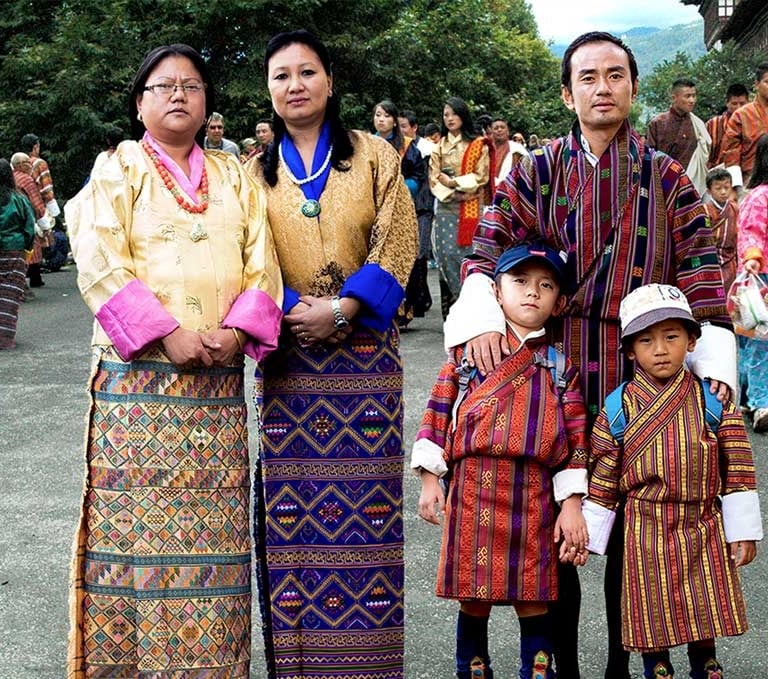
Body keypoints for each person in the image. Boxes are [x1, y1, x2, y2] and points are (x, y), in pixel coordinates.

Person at [443, 31, 736, 679]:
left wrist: (712, 366)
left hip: (645, 375)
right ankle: (565, 667)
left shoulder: (666, 179)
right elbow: (488, 247)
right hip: (556, 373)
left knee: (640, 537)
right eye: (588, 77)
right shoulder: (536, 171)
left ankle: (623, 663)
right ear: (567, 91)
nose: (602, 88)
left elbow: (702, 271)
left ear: (633, 86)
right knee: (557, 536)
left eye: (614, 75)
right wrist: (484, 315)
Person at [63, 43, 283, 678]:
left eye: (191, 85)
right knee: (132, 539)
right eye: (164, 86)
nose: (180, 95)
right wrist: (163, 333)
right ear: (141, 103)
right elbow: (99, 259)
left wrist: (237, 332)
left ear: (208, 101)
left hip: (215, 389)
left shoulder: (236, 175)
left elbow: (261, 262)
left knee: (216, 542)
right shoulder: (117, 168)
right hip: (138, 388)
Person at [247, 30, 417, 679]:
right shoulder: (251, 176)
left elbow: (397, 238)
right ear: (268, 90)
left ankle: (366, 662)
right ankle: (298, 662)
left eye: (307, 72)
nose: (295, 85)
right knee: (294, 513)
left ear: (330, 81)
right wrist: (295, 308)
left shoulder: (376, 156)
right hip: (289, 364)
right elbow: (247, 257)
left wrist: (344, 308)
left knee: (367, 513)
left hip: (366, 358)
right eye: (281, 75)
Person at [413, 242, 589, 679]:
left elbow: (575, 442)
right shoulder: (467, 356)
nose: (532, 292)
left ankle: (538, 672)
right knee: (473, 596)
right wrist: (431, 479)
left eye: (545, 285)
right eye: (520, 281)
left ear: (559, 302)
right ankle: (472, 670)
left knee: (534, 597)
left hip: (532, 496)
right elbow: (437, 413)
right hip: (472, 489)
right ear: (495, 291)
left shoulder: (560, 366)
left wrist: (570, 504)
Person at [584, 283, 762, 679]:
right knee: (651, 608)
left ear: (692, 341)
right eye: (646, 340)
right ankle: (657, 667)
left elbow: (739, 466)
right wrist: (589, 534)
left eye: (671, 336)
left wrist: (742, 531)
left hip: (702, 523)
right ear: (630, 350)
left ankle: (706, 664)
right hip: (644, 528)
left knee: (703, 602)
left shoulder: (713, 402)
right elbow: (604, 473)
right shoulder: (617, 409)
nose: (660, 349)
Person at [430, 96, 491, 319]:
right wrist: (454, 193)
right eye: (446, 114)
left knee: (471, 255)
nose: (449, 118)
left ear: (462, 115)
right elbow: (434, 179)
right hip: (447, 208)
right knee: (447, 257)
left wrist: (455, 182)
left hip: (472, 207)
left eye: (454, 113)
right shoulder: (439, 146)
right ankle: (459, 303)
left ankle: (477, 309)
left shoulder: (477, 145)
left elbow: (481, 175)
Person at [371, 98, 427, 328]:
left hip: (400, 210)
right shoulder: (368, 143)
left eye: (386, 116)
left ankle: (402, 309)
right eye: (377, 115)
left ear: (395, 120)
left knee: (399, 257)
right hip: (373, 208)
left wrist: (401, 190)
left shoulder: (406, 146)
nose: (381, 120)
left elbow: (418, 177)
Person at [737, 133, 768, 432]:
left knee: (753, 343)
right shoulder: (760, 197)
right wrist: (752, 257)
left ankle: (749, 397)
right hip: (759, 279)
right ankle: (761, 404)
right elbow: (751, 232)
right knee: (760, 345)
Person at [646, 78, 710, 196]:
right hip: (665, 184)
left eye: (694, 96)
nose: (692, 100)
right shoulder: (658, 123)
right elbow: (649, 157)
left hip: (692, 183)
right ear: (674, 98)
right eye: (687, 96)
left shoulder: (697, 124)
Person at [0, 158, 35, 349]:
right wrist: (27, 249)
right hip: (14, 252)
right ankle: (4, 339)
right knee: (10, 295)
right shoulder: (19, 199)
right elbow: (29, 228)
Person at [722, 62, 768, 189]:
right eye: (767, 82)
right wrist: (737, 188)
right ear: (757, 84)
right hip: (751, 181)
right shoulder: (741, 115)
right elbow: (731, 154)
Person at [10, 152, 51, 288]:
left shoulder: (11, 178)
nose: (30, 165)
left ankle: (32, 278)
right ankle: (34, 278)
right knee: (32, 247)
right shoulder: (26, 179)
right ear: (20, 165)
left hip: (11, 219)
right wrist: (44, 222)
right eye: (28, 162)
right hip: (26, 217)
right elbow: (36, 201)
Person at [702, 168, 738, 293]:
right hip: (711, 261)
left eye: (726, 187)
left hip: (731, 261)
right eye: (718, 188)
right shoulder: (704, 211)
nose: (723, 192)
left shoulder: (735, 209)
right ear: (709, 191)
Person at [706, 83, 749, 169]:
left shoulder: (754, 124)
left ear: (748, 103)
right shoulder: (713, 124)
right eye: (734, 104)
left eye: (742, 104)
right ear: (727, 103)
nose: (738, 108)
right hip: (717, 174)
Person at [490, 117, 528, 185]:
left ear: (508, 132)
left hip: (510, 189)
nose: (499, 130)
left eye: (502, 127)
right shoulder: (487, 149)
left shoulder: (517, 149)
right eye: (496, 128)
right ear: (492, 133)